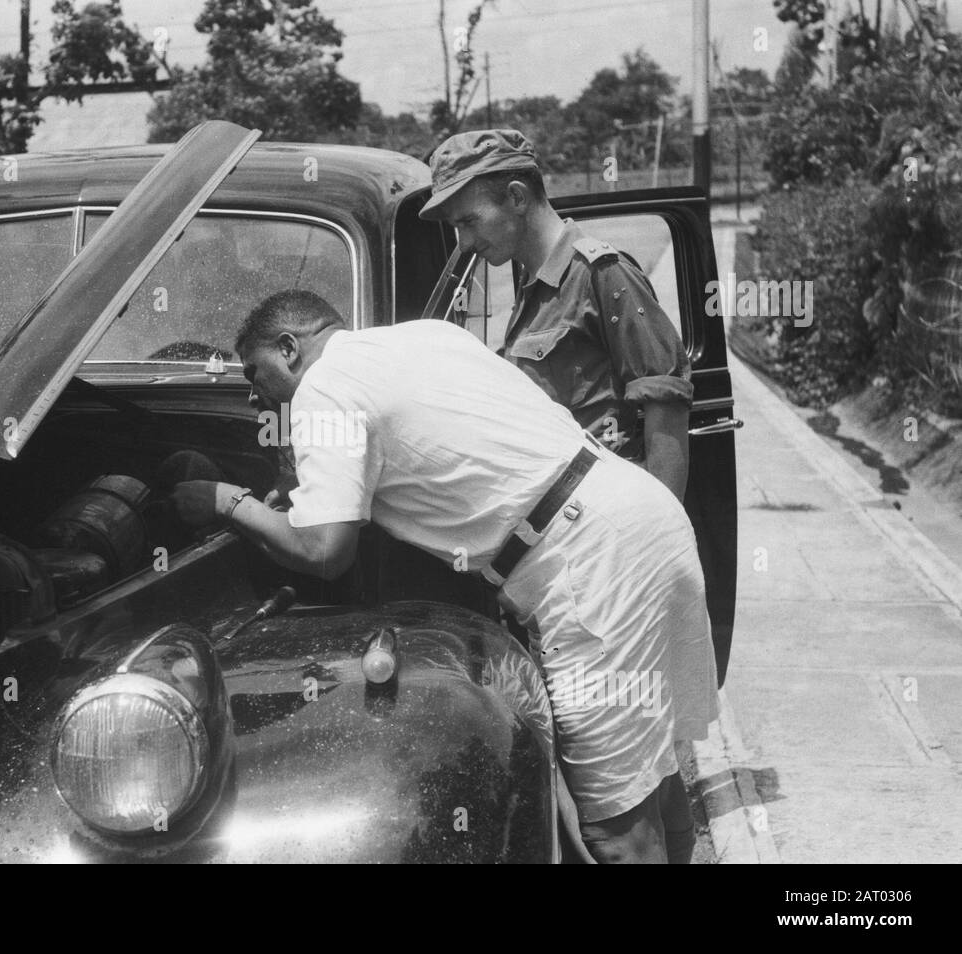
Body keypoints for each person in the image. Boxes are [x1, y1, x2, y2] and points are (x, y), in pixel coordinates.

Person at [170, 289, 718, 863]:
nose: (253, 393)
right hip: (636, 514)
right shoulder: (426, 335)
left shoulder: (322, 389)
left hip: (589, 564)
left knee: (615, 831)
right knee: (651, 781)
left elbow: (325, 550)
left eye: (254, 373)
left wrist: (227, 502)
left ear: (289, 348)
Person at [418, 129, 693, 501]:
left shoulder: (600, 274)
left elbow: (666, 408)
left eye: (469, 222)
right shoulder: (530, 285)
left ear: (516, 196)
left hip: (604, 512)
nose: (465, 243)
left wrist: (660, 533)